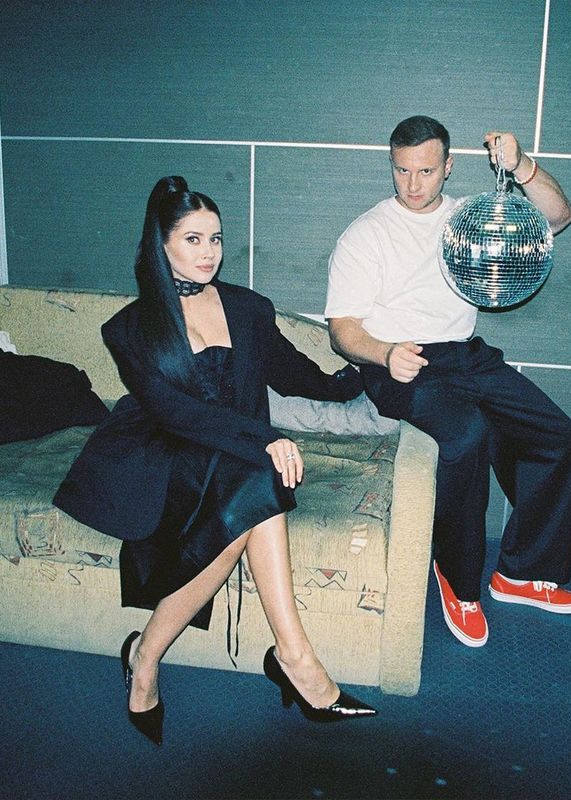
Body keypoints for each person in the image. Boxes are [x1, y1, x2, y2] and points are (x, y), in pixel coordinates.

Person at [53, 175, 377, 745]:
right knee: (255, 477)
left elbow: (291, 371)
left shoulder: (248, 308)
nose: (209, 253)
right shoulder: (129, 329)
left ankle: (266, 657)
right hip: (161, 449)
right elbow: (175, 413)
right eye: (193, 239)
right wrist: (264, 439)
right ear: (162, 245)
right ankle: (249, 660)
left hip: (235, 450)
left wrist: (355, 379)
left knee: (250, 484)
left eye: (216, 239)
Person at [325, 115, 571, 649]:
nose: (413, 184)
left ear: (448, 167)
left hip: (465, 355)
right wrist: (384, 353)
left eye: (425, 171)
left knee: (561, 438)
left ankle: (520, 574)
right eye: (402, 170)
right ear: (391, 165)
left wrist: (521, 166)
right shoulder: (366, 233)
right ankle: (457, 578)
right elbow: (342, 330)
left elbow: (558, 216)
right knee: (466, 437)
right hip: (398, 360)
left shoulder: (470, 218)